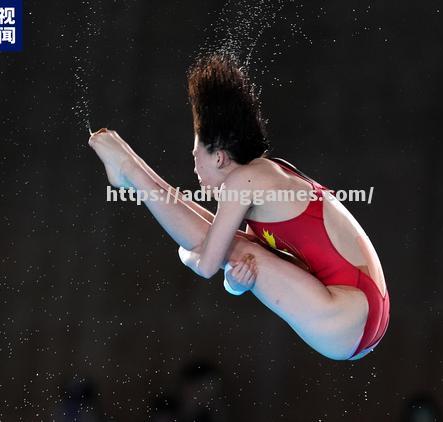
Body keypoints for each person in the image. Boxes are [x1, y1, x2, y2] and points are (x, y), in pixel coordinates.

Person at [88, 53, 389, 360]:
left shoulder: (243, 182)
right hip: (361, 309)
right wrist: (234, 283)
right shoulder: (266, 172)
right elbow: (247, 254)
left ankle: (129, 168)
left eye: (196, 157)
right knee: (239, 248)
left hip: (348, 317)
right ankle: (129, 167)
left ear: (219, 157)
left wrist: (188, 255)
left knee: (231, 250)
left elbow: (207, 264)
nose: (194, 170)